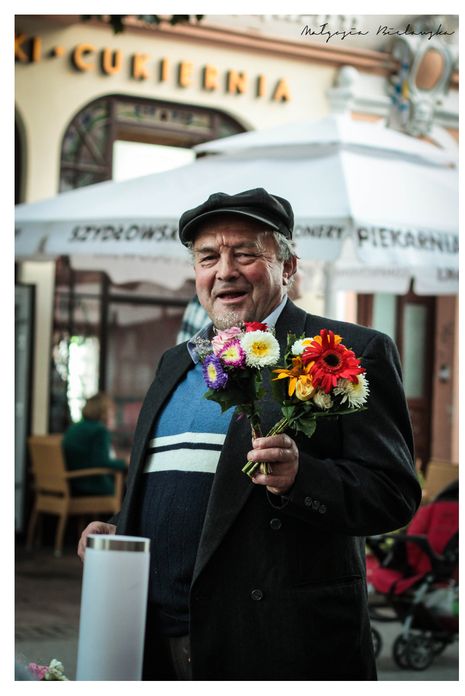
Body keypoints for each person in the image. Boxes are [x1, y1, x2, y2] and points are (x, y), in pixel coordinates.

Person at [78, 188, 421, 680]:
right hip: (155, 640)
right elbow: (166, 489)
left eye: (245, 254)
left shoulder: (347, 351)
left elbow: (394, 495)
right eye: (208, 257)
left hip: (277, 644)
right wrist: (122, 525)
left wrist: (302, 478)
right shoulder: (176, 363)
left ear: (289, 266)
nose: (225, 271)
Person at [63, 392, 126, 496]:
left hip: (72, 483)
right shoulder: (100, 430)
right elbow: (102, 462)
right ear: (103, 413)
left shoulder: (75, 427)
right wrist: (126, 463)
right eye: (111, 412)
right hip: (90, 485)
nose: (114, 415)